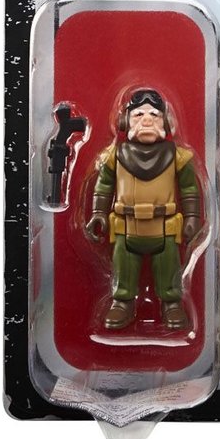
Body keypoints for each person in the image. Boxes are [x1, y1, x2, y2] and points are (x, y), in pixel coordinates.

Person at [85, 89, 202, 330]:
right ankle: (122, 302)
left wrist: (192, 217)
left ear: (166, 122)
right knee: (124, 269)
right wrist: (98, 213)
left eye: (154, 115)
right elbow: (103, 187)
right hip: (126, 227)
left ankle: (171, 304)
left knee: (168, 268)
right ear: (124, 121)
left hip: (164, 228)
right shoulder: (114, 156)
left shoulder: (179, 157)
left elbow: (189, 189)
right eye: (138, 115)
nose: (147, 120)